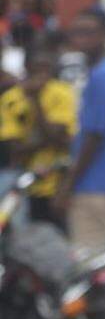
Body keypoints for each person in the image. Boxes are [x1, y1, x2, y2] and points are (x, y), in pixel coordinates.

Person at [53, 8, 105, 252]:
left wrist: (67, 186)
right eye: (77, 32)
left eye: (90, 32)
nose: (82, 39)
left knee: (88, 261)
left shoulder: (104, 76)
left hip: (96, 189)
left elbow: (94, 137)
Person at [0, 44, 76, 229]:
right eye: (37, 68)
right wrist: (52, 138)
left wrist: (35, 102)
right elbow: (13, 150)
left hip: (58, 183)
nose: (42, 74)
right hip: (24, 185)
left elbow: (64, 140)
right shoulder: (11, 99)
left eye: (46, 68)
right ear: (27, 67)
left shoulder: (63, 92)